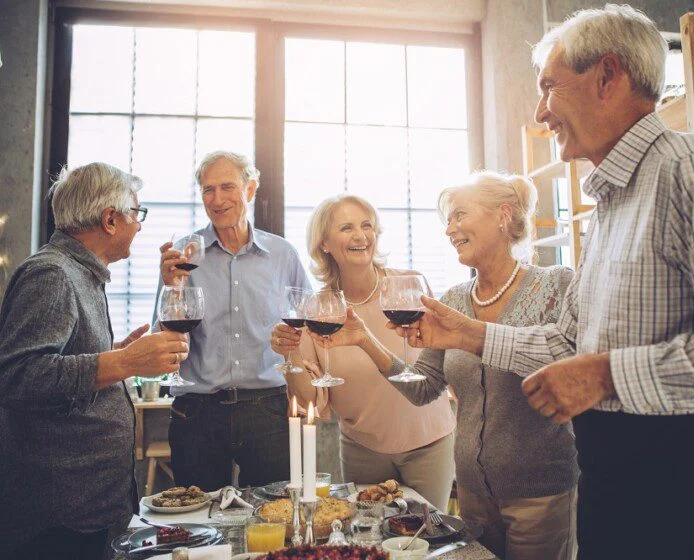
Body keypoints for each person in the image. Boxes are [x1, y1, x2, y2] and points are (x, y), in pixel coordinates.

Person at [393, 5, 694, 559]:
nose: (540, 111)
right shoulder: (605, 209)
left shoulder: (693, 168)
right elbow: (568, 343)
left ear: (607, 76)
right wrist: (466, 334)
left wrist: (608, 375)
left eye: (549, 87)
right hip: (608, 481)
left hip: (685, 488)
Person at [308, 179, 578, 559]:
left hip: (538, 492)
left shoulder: (554, 284)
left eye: (459, 216)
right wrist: (365, 339)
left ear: (502, 217)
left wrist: (472, 335)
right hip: (473, 494)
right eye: (447, 221)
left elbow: (567, 364)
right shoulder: (453, 298)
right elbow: (424, 388)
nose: (449, 229)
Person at [0, 162, 189, 559]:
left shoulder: (81, 273)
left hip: (89, 504)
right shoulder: (51, 274)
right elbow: (18, 377)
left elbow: (66, 361)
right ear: (109, 219)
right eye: (135, 213)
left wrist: (118, 353)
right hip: (60, 514)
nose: (138, 225)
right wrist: (124, 363)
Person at [270, 194, 456, 512]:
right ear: (324, 243)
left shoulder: (407, 288)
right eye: (346, 228)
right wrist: (291, 354)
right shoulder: (316, 309)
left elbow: (438, 364)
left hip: (429, 443)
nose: (360, 235)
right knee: (370, 537)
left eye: (366, 225)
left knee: (426, 537)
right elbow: (309, 402)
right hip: (363, 449)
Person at [157, 151, 310, 491]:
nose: (217, 199)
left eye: (228, 186)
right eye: (208, 189)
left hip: (268, 409)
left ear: (251, 189)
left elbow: (308, 325)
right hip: (197, 413)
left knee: (276, 515)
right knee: (198, 523)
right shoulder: (183, 254)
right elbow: (164, 343)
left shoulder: (283, 254)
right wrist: (173, 289)